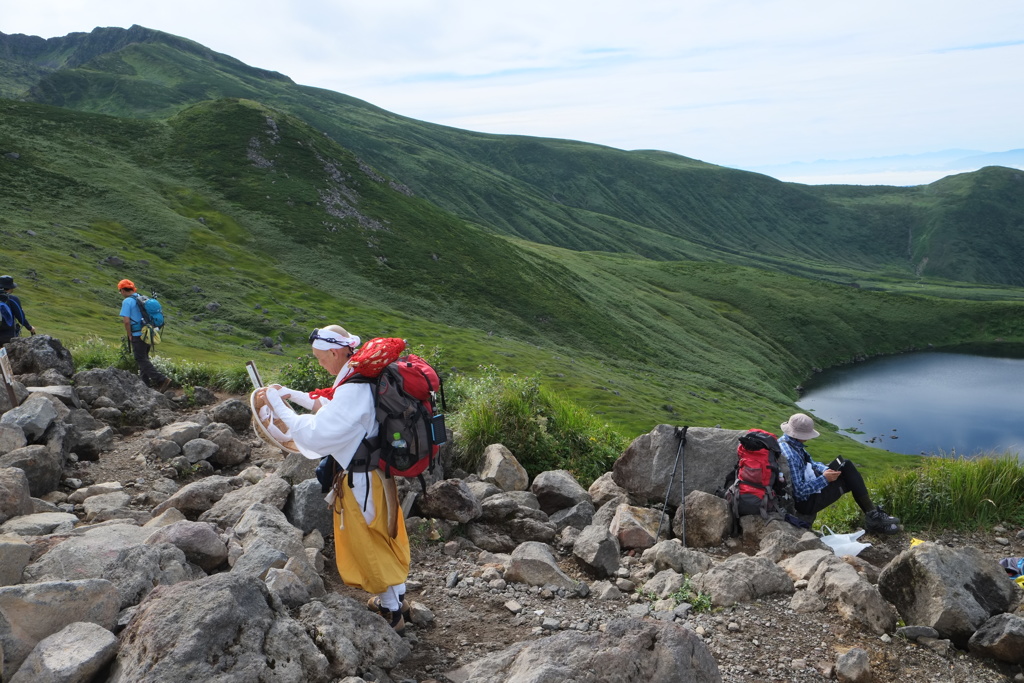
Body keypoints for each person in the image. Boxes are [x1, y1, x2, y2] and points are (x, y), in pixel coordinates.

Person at [261, 325, 411, 633]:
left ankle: (392, 614)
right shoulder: (361, 375)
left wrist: (279, 409)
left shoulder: (353, 387)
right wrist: (294, 396)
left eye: (319, 359)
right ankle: (398, 600)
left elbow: (320, 433)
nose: (320, 364)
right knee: (384, 533)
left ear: (333, 352)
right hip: (378, 473)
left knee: (368, 541)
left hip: (362, 478)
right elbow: (334, 409)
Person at [778, 413, 900, 534]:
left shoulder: (788, 442)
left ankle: (873, 515)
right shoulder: (791, 456)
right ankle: (874, 520)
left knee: (846, 464)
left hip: (807, 484)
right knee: (848, 479)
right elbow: (798, 492)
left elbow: (811, 462)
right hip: (804, 504)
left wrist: (825, 469)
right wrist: (825, 479)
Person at [117, 279, 171, 391]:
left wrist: (129, 334)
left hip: (138, 334)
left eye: (120, 291)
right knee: (144, 359)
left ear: (122, 290)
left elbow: (126, 321)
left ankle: (161, 379)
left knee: (140, 358)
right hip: (148, 332)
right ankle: (145, 385)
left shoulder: (127, 301)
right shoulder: (141, 297)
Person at [0, 275, 36, 345]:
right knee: (6, 355)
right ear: (10, 288)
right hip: (7, 335)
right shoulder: (12, 299)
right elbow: (21, 318)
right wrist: (30, 327)